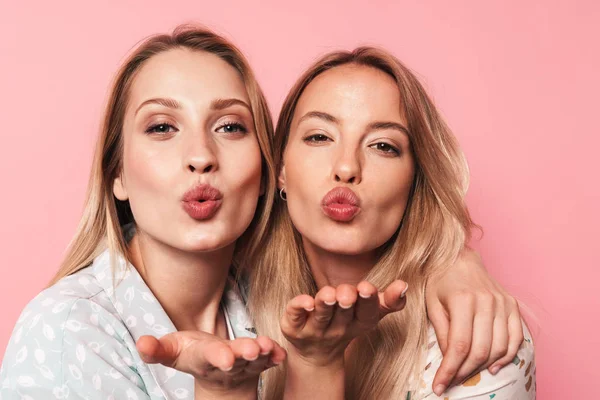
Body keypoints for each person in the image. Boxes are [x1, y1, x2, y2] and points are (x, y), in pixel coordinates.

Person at [0, 26, 286, 399]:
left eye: (230, 126)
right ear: (117, 173)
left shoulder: (279, 311)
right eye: (162, 127)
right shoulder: (69, 330)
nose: (201, 156)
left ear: (265, 170)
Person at [247, 47, 536, 399]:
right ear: (281, 171)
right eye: (319, 137)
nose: (347, 168)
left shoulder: (473, 341)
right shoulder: (235, 308)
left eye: (383, 146)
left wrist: (451, 259)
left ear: (416, 182)